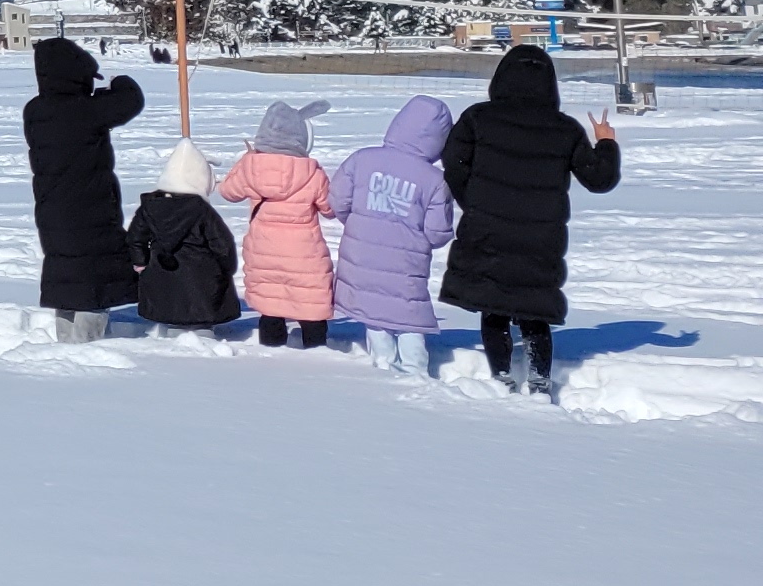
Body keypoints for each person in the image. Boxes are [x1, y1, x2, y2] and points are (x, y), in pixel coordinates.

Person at [440, 44, 622, 396]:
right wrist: (607, 143)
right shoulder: (565, 129)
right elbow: (599, 180)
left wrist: (475, 204)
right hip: (540, 237)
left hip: (487, 229)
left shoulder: (479, 117)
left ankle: (502, 376)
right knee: (533, 306)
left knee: (493, 305)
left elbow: (454, 165)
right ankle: (539, 379)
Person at [21, 37, 145, 341]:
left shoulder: (36, 111)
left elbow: (83, 111)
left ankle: (66, 343)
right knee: (94, 283)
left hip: (51, 210)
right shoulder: (84, 110)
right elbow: (131, 100)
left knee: (66, 278)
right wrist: (121, 81)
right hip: (89, 209)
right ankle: (86, 352)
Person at [331, 95, 457, 377]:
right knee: (408, 313)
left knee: (374, 310)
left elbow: (338, 200)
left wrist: (357, 223)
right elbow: (437, 233)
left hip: (361, 255)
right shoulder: (435, 180)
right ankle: (414, 368)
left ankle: (383, 363)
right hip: (407, 262)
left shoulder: (362, 159)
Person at [217, 100, 337, 350]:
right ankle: (318, 351)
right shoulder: (312, 172)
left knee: (270, 302)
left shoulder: (251, 168)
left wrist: (246, 161)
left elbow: (228, 191)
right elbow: (330, 209)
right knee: (310, 301)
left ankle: (272, 352)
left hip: (264, 250)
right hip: (305, 252)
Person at [128, 141, 240, 332]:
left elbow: (135, 239)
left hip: (162, 280)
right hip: (202, 285)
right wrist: (226, 269)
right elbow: (223, 246)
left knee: (172, 324)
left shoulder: (150, 207)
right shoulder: (202, 211)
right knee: (202, 331)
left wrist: (142, 263)